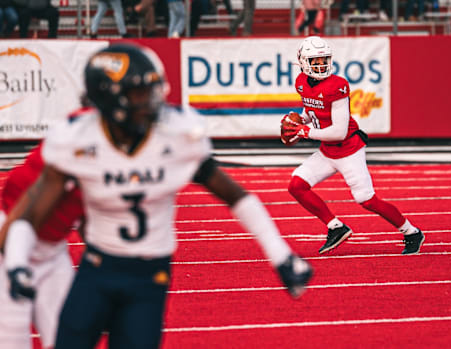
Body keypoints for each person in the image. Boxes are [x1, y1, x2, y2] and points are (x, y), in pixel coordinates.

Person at [3, 43, 313, 349]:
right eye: (140, 94)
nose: (152, 102)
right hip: (94, 268)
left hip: (148, 275)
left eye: (153, 91)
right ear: (112, 100)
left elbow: (234, 195)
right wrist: (16, 264)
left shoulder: (176, 135)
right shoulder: (77, 141)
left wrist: (280, 255)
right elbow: (28, 214)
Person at [282, 36, 424, 255]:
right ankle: (335, 227)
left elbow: (338, 131)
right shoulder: (301, 82)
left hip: (348, 149)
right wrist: (301, 121)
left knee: (366, 200)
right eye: (315, 61)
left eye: (324, 60)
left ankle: (411, 232)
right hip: (328, 151)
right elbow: (311, 111)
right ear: (302, 62)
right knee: (296, 185)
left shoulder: (337, 86)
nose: (321, 65)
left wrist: (306, 132)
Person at [0, 126, 85, 348]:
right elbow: (20, 216)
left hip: (53, 249)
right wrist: (14, 263)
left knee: (67, 338)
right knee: (12, 339)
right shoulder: (75, 142)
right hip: (10, 240)